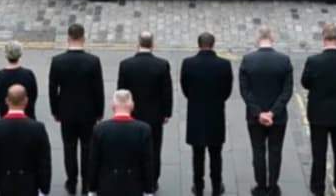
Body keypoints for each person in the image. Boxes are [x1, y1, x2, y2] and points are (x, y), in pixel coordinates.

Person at [301, 23, 336, 196]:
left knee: (319, 154)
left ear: (323, 39)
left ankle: (317, 187)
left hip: (318, 114)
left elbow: (305, 83)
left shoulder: (313, 61)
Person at [49, 23, 104, 195]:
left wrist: (56, 111)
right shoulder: (93, 61)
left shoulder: (57, 61)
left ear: (68, 38)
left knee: (69, 147)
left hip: (67, 112)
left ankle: (71, 182)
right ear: (83, 38)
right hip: (88, 113)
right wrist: (99, 111)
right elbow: (98, 89)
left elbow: (52, 90)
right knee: (88, 148)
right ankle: (86, 183)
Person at [239, 26, 293, 196]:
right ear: (273, 38)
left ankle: (260, 185)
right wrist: (272, 113)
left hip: (255, 117)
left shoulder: (248, 60)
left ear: (257, 39)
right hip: (278, 117)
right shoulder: (284, 61)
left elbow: (245, 91)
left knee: (258, 150)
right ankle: (273, 185)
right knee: (275, 151)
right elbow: (287, 91)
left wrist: (258, 113)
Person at [116, 31, 172, 192]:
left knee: (132, 148)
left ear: (137, 44)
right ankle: (152, 182)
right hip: (155, 116)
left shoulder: (126, 65)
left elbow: (121, 91)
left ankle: (135, 178)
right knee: (154, 149)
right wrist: (167, 113)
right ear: (153, 45)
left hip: (132, 115)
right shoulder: (162, 65)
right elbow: (166, 91)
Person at [180, 32, 232, 196]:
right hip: (216, 115)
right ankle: (216, 187)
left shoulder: (188, 63)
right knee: (216, 154)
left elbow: (185, 88)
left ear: (198, 44)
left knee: (197, 155)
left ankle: (199, 186)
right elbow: (227, 90)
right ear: (213, 44)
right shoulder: (224, 64)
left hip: (196, 114)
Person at [0, 85, 51, 196]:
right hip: (30, 186)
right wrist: (44, 188)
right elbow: (45, 162)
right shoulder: (38, 128)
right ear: (26, 101)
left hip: (3, 185)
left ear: (7, 101)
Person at [87, 90, 155, 196]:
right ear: (132, 105)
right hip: (134, 187)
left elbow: (94, 162)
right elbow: (147, 163)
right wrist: (149, 190)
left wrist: (92, 188)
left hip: (107, 187)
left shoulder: (100, 130)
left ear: (113, 106)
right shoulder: (144, 130)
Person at [0, 41, 38, 119]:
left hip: (6, 116)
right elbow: (33, 96)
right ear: (20, 54)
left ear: (6, 55)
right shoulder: (28, 74)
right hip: (27, 116)